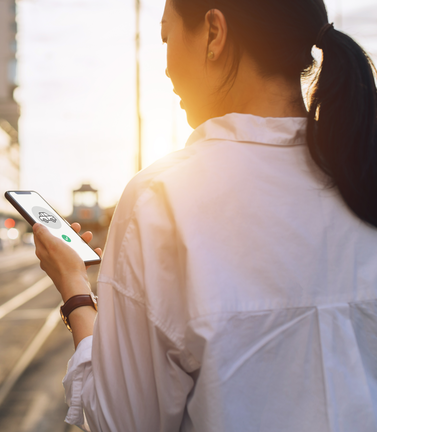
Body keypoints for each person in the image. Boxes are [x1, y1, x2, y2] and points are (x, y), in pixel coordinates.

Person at [31, 0, 376, 431]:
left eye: (166, 37)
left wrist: (75, 290)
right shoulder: (374, 176)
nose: (166, 68)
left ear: (214, 33)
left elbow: (123, 422)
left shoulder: (160, 200)